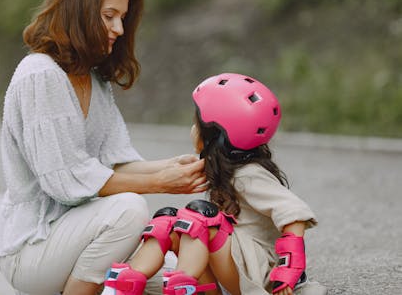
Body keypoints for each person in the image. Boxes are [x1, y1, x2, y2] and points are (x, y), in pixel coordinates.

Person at [0, 0, 207, 294]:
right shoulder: (40, 75)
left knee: (182, 276)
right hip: (33, 245)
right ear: (78, 11)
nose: (118, 28)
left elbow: (114, 163)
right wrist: (158, 183)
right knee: (130, 209)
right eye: (109, 16)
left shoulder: (94, 80)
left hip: (80, 233)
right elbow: (66, 180)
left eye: (122, 18)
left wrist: (173, 166)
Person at [102, 73, 328, 295]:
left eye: (196, 123)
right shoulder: (225, 170)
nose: (193, 129)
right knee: (169, 221)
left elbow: (294, 212)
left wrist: (288, 269)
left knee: (200, 218)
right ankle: (125, 284)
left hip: (260, 275)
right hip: (235, 264)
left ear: (216, 136)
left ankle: (181, 288)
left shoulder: (249, 175)